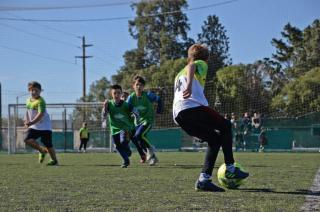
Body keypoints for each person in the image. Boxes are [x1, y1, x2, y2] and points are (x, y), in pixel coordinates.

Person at [172, 44, 249, 192]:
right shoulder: (200, 63)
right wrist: (189, 86)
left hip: (179, 115)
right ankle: (230, 169)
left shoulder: (178, 74)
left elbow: (188, 68)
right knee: (226, 125)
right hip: (191, 107)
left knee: (214, 139)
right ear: (206, 58)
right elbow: (192, 66)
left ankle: (203, 180)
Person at [102, 84, 142, 168]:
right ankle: (126, 160)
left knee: (123, 141)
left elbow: (136, 111)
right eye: (114, 93)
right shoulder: (108, 104)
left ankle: (127, 149)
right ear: (111, 94)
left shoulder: (126, 105)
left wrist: (137, 116)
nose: (116, 95)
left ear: (121, 94)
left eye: (118, 93)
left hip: (125, 128)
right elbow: (103, 116)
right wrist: (104, 108)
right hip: (114, 129)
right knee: (117, 146)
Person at [127, 75, 163, 166]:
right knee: (139, 140)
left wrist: (159, 111)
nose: (139, 87)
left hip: (147, 121)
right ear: (133, 86)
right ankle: (153, 157)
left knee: (138, 135)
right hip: (137, 123)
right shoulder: (131, 97)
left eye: (141, 85)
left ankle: (150, 149)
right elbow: (126, 107)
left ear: (143, 87)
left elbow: (159, 100)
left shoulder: (148, 95)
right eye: (137, 85)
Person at [23, 81, 59, 166]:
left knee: (48, 144)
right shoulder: (28, 100)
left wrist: (31, 122)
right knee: (27, 140)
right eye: (32, 90)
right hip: (34, 126)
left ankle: (54, 161)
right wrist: (26, 121)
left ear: (40, 91)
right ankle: (42, 151)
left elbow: (40, 115)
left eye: (36, 90)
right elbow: (27, 112)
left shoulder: (41, 101)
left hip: (45, 126)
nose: (34, 92)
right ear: (29, 90)